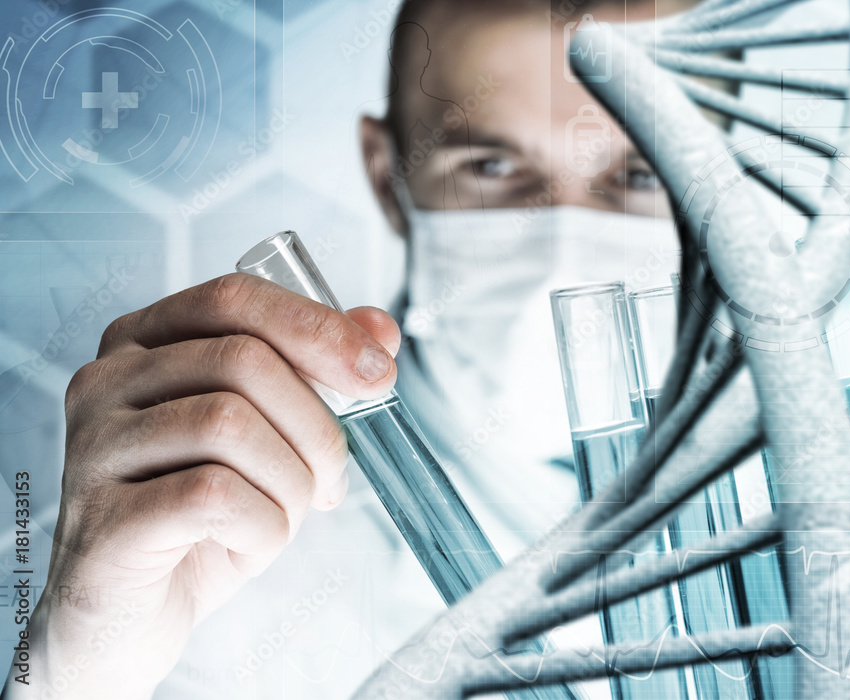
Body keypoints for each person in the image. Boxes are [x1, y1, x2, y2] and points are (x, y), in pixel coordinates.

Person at [3, 0, 691, 697]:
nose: (561, 243)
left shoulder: (789, 510)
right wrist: (74, 669)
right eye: (489, 165)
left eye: (639, 175)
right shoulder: (222, 545)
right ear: (387, 170)